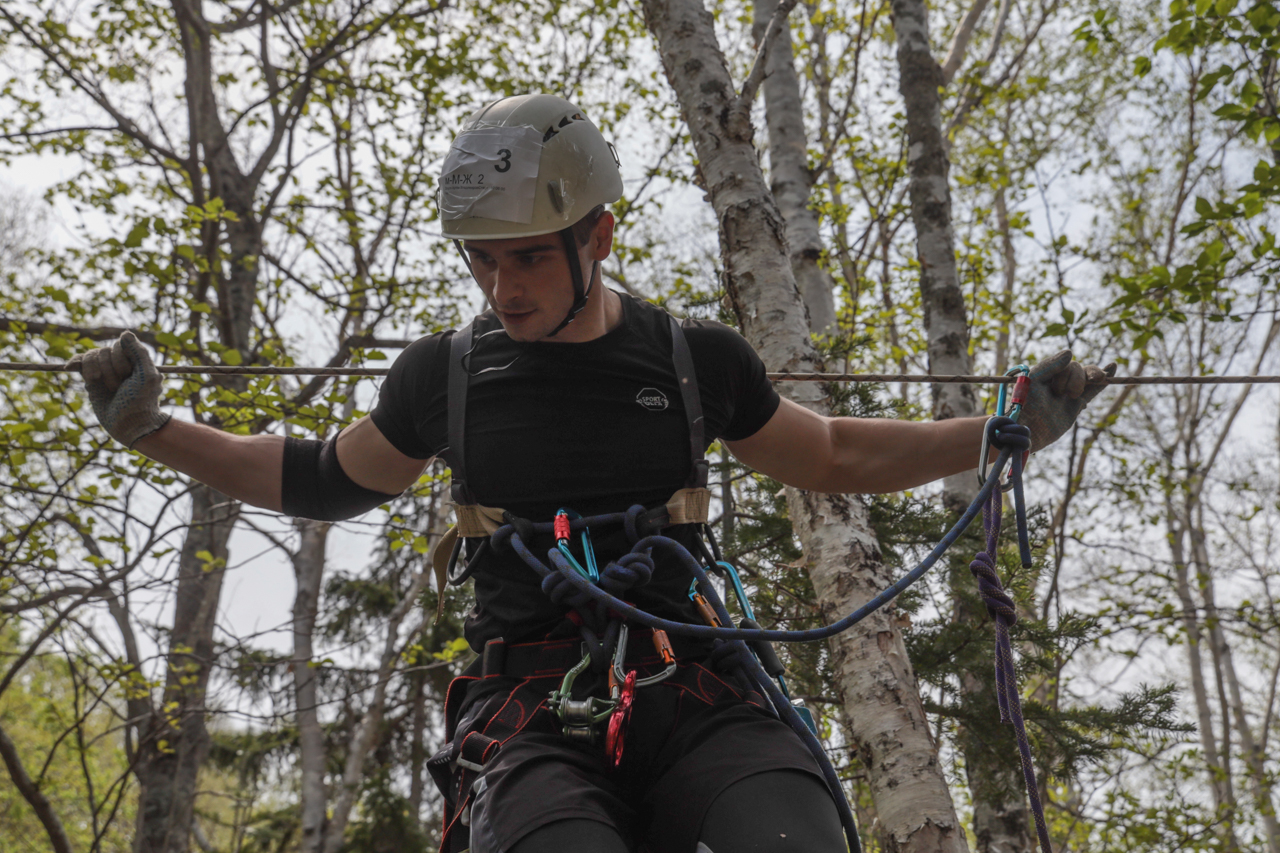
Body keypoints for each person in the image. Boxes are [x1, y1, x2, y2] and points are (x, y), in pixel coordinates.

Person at [71, 94, 1113, 853]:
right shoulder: (447, 375)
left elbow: (831, 452)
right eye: (481, 258)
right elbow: (319, 477)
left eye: (525, 255)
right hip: (527, 710)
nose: (500, 284)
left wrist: (996, 431)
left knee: (789, 836)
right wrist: (153, 428)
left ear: (597, 235)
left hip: (695, 685)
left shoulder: (691, 361)